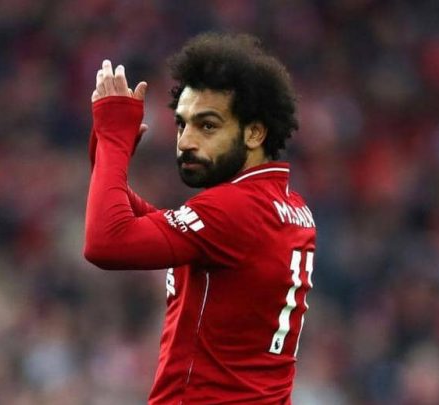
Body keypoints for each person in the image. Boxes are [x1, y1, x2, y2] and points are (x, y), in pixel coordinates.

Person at [84, 33, 317, 404]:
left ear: (254, 132)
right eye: (182, 124)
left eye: (207, 125)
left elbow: (105, 243)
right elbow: (148, 222)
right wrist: (108, 156)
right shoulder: (289, 205)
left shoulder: (233, 208)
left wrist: (114, 141)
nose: (186, 142)